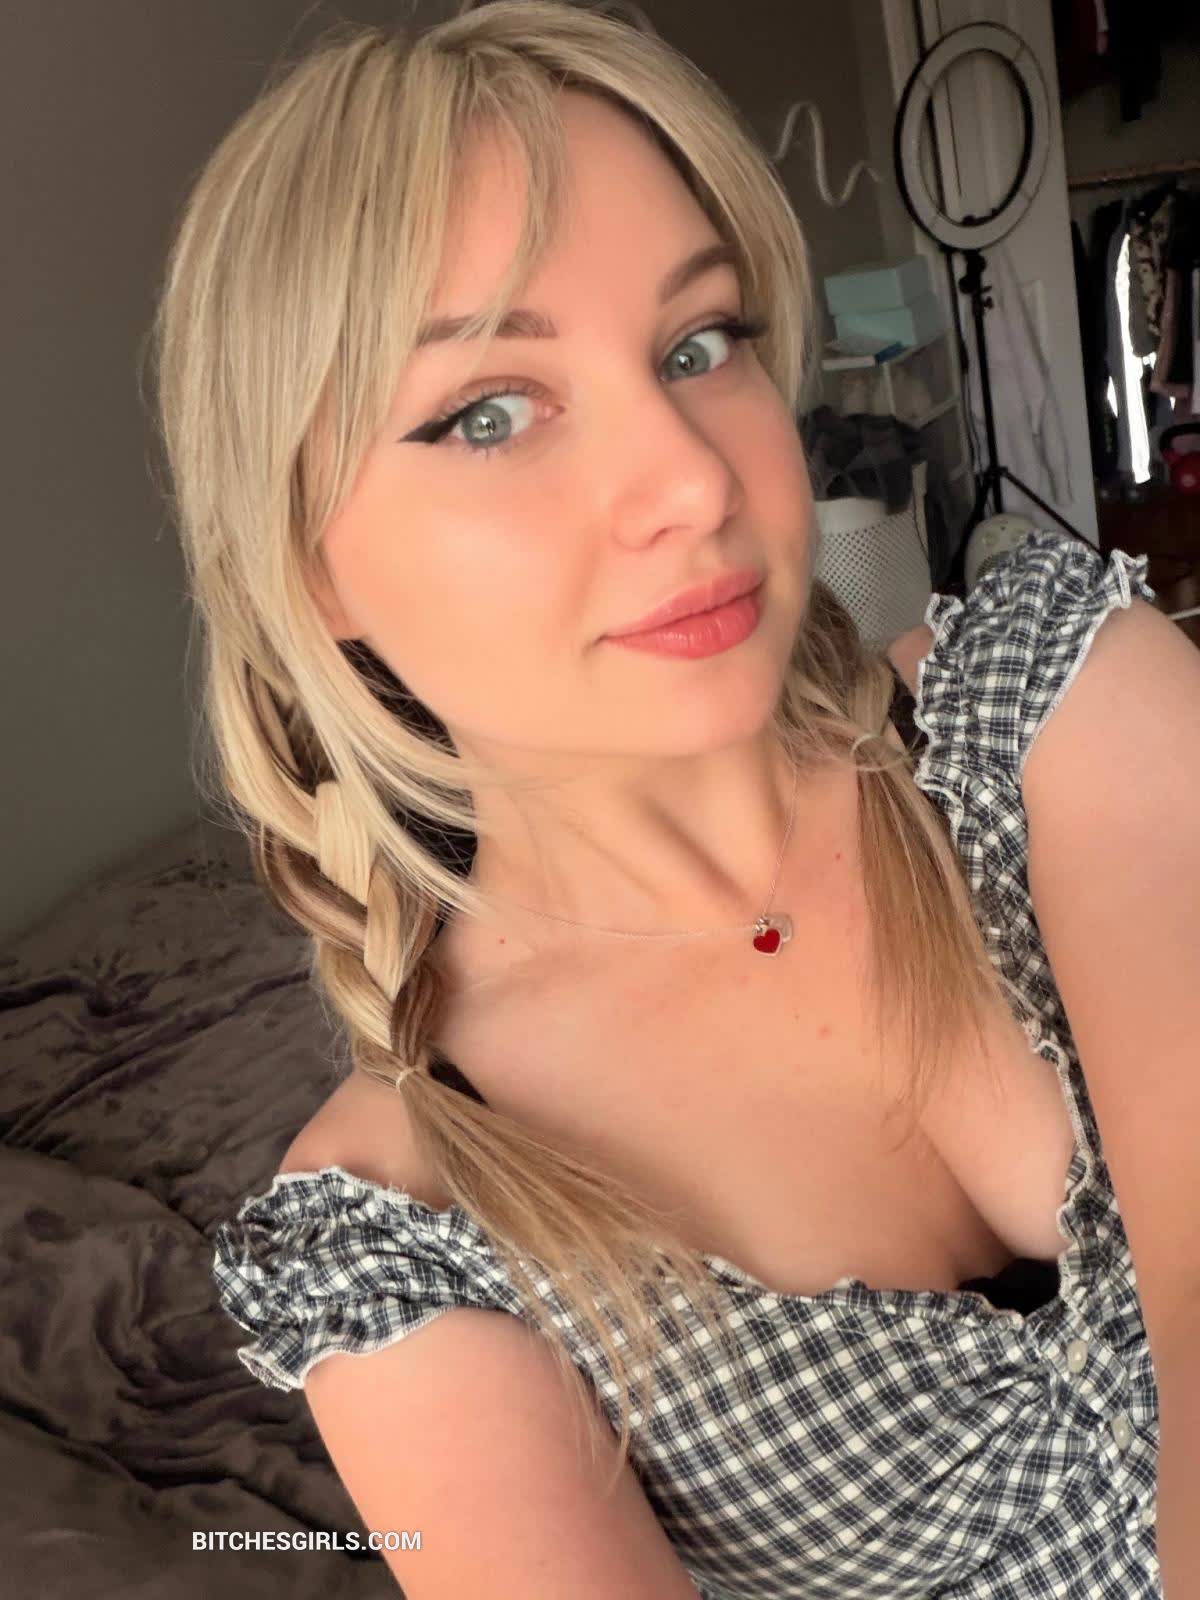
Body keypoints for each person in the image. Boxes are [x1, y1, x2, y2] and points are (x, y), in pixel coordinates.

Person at [151, 5, 1162, 1596]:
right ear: (307, 565)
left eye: (700, 345)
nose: (695, 479)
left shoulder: (1057, 705)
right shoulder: (402, 1230)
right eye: (489, 412)